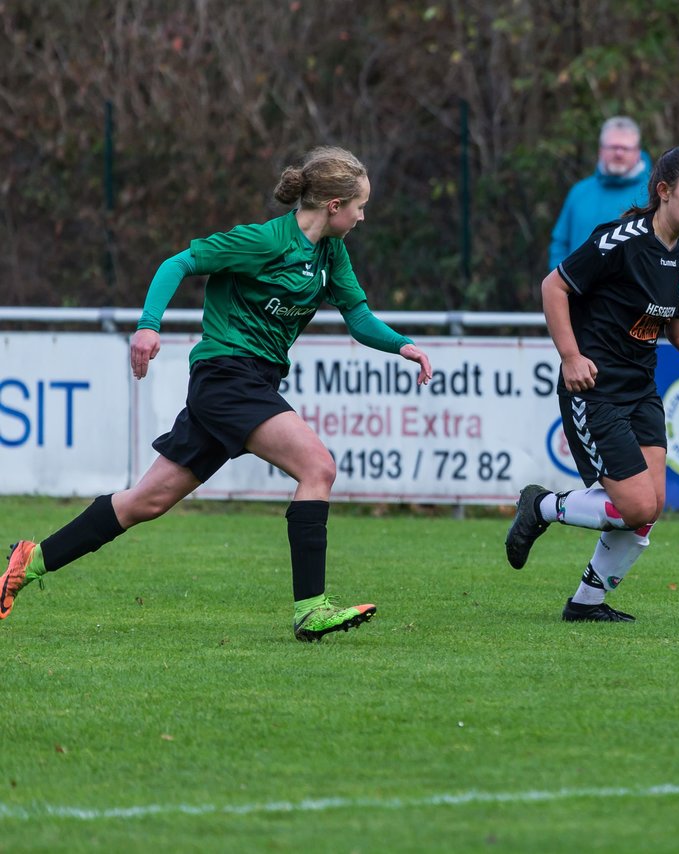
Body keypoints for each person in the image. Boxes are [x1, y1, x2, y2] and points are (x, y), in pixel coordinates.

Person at [1, 146, 433, 642]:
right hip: (227, 377)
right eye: (359, 206)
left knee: (144, 502)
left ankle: (27, 564)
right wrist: (147, 327)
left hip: (245, 384)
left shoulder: (330, 253)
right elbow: (177, 263)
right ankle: (311, 609)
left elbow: (357, 317)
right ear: (334, 205)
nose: (362, 216)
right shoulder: (261, 242)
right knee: (319, 467)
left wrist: (404, 346)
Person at [507, 145, 679, 622]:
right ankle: (540, 506)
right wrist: (570, 357)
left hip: (641, 390)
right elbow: (553, 287)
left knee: (651, 509)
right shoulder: (619, 241)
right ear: (664, 192)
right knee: (634, 504)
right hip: (594, 389)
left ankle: (587, 605)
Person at [547, 116, 651, 270]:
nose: (619, 153)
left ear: (637, 152)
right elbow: (560, 242)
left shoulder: (653, 194)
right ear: (600, 150)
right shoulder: (579, 192)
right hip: (577, 290)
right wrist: (560, 284)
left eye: (626, 148)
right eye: (613, 147)